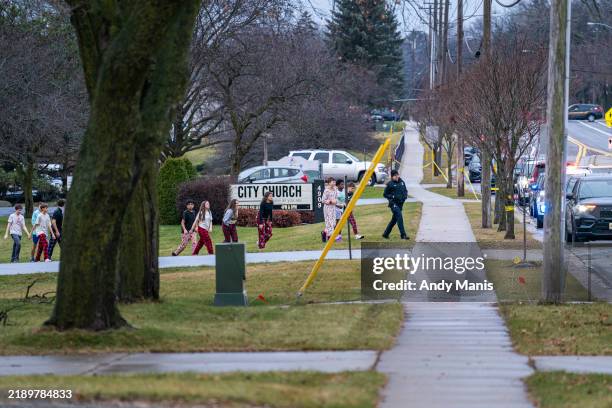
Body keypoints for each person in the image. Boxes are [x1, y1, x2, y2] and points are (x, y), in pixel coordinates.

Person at [383, 170, 409, 240]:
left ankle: (385, 234)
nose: (397, 176)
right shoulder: (390, 184)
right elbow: (385, 194)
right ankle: (403, 235)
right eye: (395, 176)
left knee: (394, 220)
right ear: (392, 177)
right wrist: (392, 197)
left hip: (401, 204)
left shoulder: (402, 182)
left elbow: (405, 190)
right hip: (393, 204)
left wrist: (405, 196)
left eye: (397, 175)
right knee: (399, 217)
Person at [321, 177, 339, 242]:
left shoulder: (335, 190)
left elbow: (337, 198)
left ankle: (324, 232)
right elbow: (323, 200)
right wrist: (330, 201)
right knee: (329, 222)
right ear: (329, 183)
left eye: (334, 182)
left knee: (333, 223)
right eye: (332, 182)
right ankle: (330, 237)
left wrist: (335, 201)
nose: (334, 183)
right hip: (327, 208)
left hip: (333, 208)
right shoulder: (326, 190)